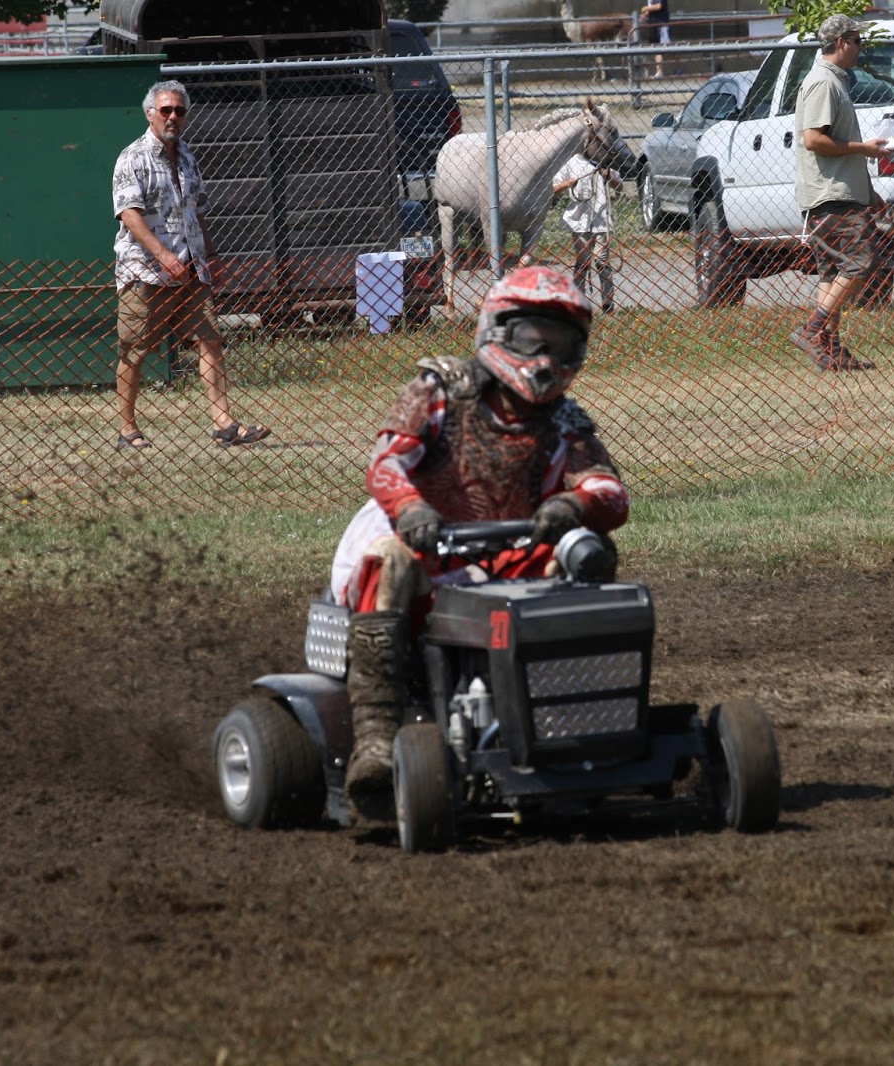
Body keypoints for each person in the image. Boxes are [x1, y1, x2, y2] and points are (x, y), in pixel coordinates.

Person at [328, 265, 630, 818]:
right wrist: (414, 508)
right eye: (531, 339)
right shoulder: (441, 391)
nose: (544, 358)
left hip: (507, 552)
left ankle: (565, 714)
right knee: (389, 560)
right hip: (419, 545)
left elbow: (609, 491)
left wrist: (573, 504)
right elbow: (386, 463)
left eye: (559, 343)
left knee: (590, 553)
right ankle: (375, 739)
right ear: (497, 331)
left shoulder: (565, 420)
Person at [111, 80, 271, 451]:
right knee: (134, 350)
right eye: (165, 110)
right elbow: (129, 214)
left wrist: (210, 257)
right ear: (149, 113)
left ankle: (224, 424)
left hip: (191, 269)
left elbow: (196, 211)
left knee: (210, 340)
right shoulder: (132, 157)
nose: (172, 117)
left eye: (179, 111)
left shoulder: (187, 155)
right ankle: (127, 429)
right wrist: (162, 255)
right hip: (145, 271)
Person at [790, 14, 894, 372]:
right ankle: (813, 330)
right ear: (841, 43)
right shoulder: (823, 83)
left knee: (831, 272)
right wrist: (865, 149)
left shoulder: (835, 81)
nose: (860, 48)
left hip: (836, 191)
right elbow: (814, 139)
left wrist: (869, 192)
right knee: (861, 261)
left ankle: (829, 350)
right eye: (858, 41)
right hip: (830, 193)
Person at [551, 152, 623, 313]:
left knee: (602, 260)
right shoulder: (571, 162)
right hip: (579, 220)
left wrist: (609, 176)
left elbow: (619, 186)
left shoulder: (603, 161)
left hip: (601, 219)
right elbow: (553, 187)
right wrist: (567, 184)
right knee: (583, 261)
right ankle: (578, 302)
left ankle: (608, 302)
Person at [638, 0, 670, 79]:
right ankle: (659, 72)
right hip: (652, 24)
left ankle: (676, 68)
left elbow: (659, 6)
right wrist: (645, 14)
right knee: (656, 49)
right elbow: (650, 10)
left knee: (662, 48)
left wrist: (646, 8)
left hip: (661, 23)